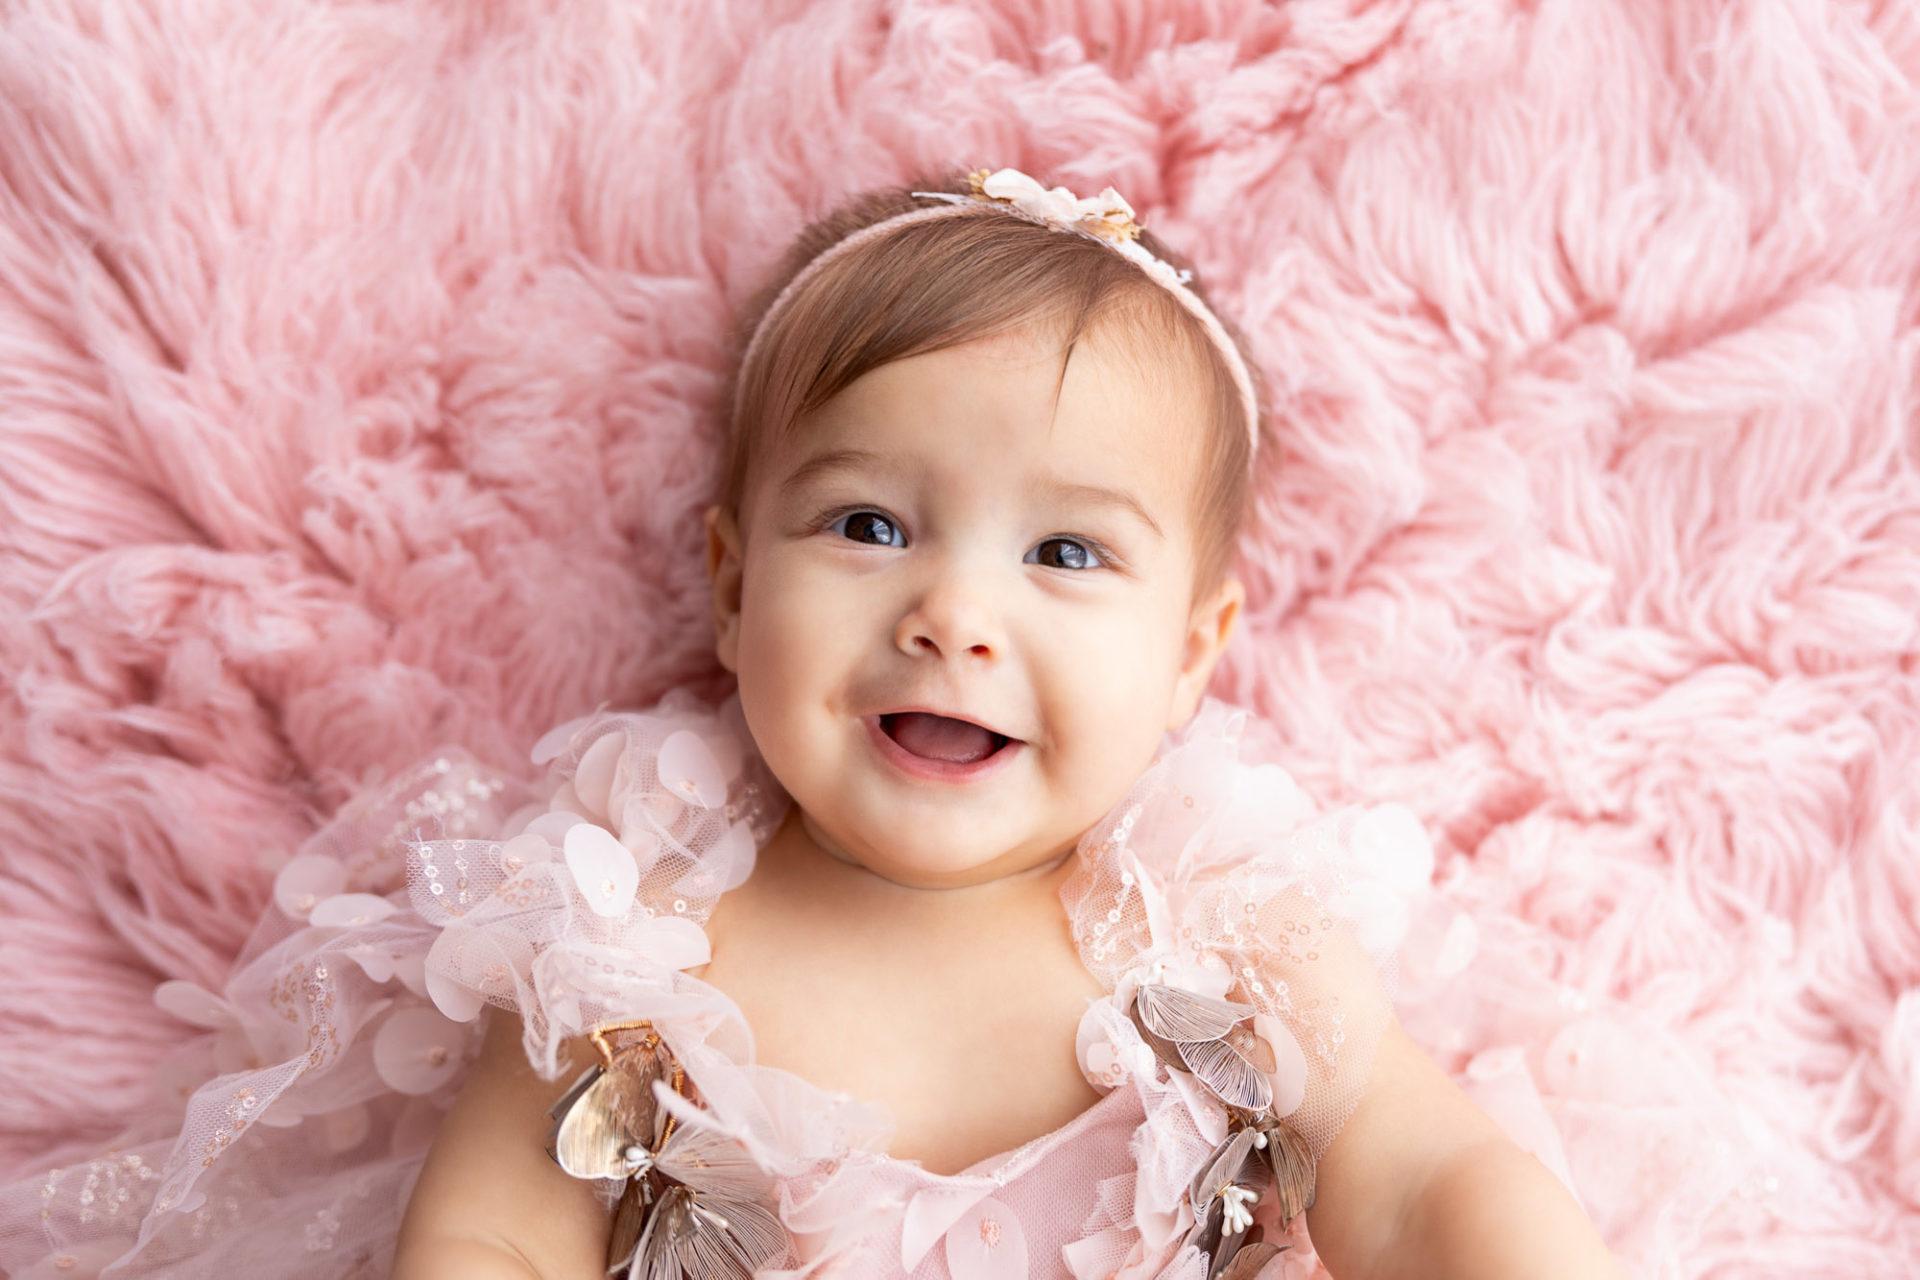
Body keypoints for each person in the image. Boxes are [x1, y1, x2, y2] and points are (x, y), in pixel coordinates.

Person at [2, 167, 1621, 1279]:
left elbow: (1417, 1178)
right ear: (726, 584)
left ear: (1194, 655)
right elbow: (494, 1237)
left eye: (1066, 554)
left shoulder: (1222, 940)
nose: (952, 615)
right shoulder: (629, 945)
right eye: (866, 526)